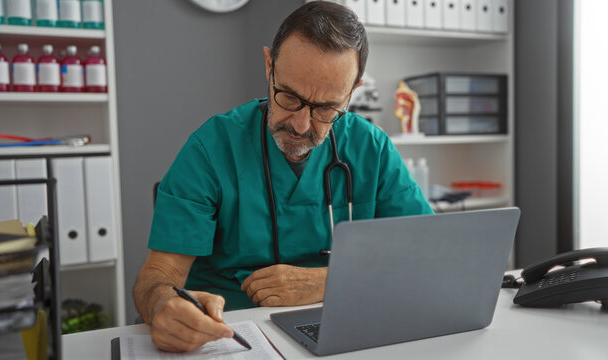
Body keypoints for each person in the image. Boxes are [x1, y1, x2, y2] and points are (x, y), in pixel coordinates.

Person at [133, 1, 434, 352]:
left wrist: (331, 281)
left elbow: (427, 256)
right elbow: (157, 276)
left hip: (339, 329)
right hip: (231, 336)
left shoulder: (372, 148)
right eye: (289, 97)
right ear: (269, 66)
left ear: (352, 92)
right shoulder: (211, 148)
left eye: (326, 109)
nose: (301, 125)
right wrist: (161, 307)